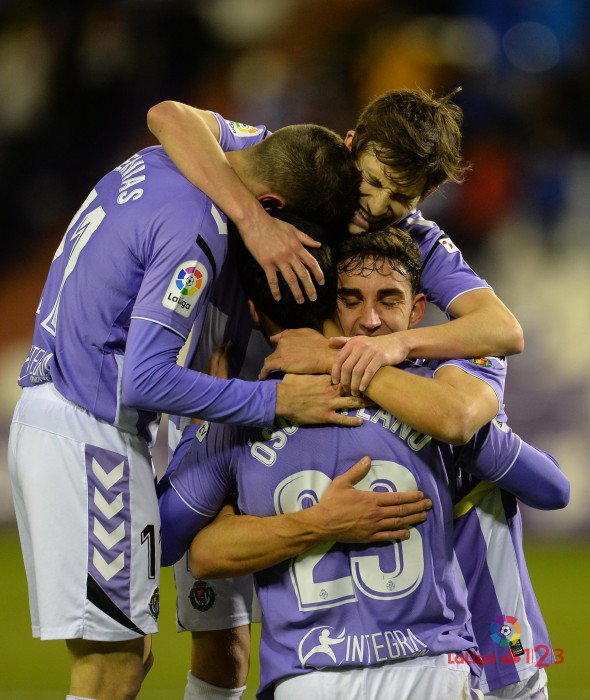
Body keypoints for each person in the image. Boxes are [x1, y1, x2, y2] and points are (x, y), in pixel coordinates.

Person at [7, 122, 377, 700]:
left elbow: (174, 114)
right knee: (111, 670)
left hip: (63, 413)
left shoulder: (168, 160)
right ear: (272, 207)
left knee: (128, 658)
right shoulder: (195, 231)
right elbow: (145, 379)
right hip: (90, 433)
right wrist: (274, 400)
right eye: (294, 232)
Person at [157, 227, 568, 699]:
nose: (370, 321)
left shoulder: (249, 414)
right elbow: (551, 486)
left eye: (388, 300)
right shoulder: (440, 402)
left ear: (418, 309)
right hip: (427, 667)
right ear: (330, 306)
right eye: (351, 300)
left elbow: (169, 541)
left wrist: (210, 411)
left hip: (381, 664)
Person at [147, 86, 525, 396]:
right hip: (214, 395)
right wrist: (255, 221)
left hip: (306, 424)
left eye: (400, 197)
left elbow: (503, 329)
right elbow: (168, 117)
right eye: (373, 180)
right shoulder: (296, 165)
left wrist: (398, 344)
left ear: (423, 198)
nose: (376, 206)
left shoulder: (417, 239)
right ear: (350, 144)